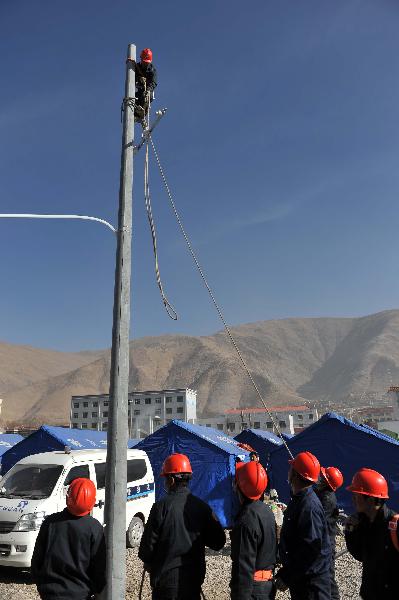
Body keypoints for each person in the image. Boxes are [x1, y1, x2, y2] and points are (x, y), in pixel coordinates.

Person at [138, 453, 226, 600]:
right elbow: (219, 542)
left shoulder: (160, 508)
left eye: (165, 479)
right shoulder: (202, 508)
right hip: (192, 585)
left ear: (171, 480)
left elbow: (146, 551)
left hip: (165, 587)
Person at [31, 477, 106, 600]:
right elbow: (99, 567)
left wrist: (42, 586)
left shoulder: (50, 523)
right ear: (92, 503)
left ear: (67, 498)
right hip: (81, 595)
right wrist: (97, 590)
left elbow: (37, 561)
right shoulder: (94, 528)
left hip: (50, 594)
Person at [275, 451, 331, 600]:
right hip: (303, 581)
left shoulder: (309, 506)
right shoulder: (299, 500)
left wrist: (288, 577)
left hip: (312, 587)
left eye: (291, 468)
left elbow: (309, 551)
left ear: (295, 475)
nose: (288, 471)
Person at [345, 467, 399, 600]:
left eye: (356, 495)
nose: (352, 500)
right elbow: (359, 555)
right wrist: (351, 531)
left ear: (370, 500)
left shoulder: (394, 525)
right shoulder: (364, 522)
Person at [230, 460, 277, 600]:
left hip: (252, 588)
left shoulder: (246, 520)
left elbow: (243, 567)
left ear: (239, 486)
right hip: (266, 586)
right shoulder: (266, 511)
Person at [314, 466, 344, 600]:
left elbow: (319, 522)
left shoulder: (327, 499)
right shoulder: (323, 493)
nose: (319, 478)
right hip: (326, 542)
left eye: (322, 477)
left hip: (326, 544)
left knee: (328, 579)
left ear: (326, 481)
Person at [126, 47, 157, 124]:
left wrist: (148, 90)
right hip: (139, 89)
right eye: (144, 62)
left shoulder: (152, 70)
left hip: (147, 90)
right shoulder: (138, 67)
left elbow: (154, 83)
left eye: (147, 62)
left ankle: (141, 113)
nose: (145, 64)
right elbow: (134, 75)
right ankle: (135, 114)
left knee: (146, 96)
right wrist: (132, 64)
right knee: (133, 98)